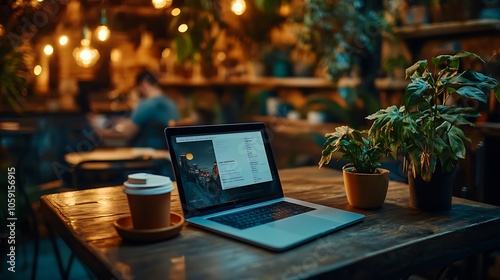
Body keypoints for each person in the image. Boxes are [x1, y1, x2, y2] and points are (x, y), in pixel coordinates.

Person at [88, 68, 180, 149]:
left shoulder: (147, 104)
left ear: (145, 83)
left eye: (138, 87)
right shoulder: (170, 103)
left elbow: (126, 134)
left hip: (145, 157)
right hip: (165, 155)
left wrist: (100, 132)